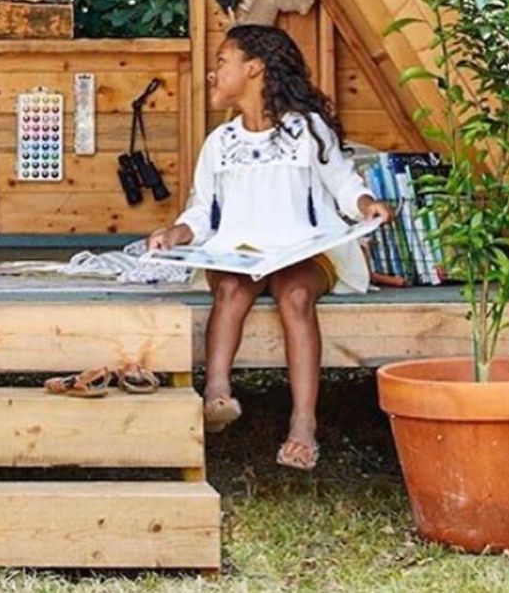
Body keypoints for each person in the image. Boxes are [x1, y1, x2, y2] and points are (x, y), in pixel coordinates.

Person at [148, 23, 391, 471]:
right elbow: (202, 212)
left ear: (255, 68)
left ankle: (303, 423)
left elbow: (342, 183)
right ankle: (217, 393)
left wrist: (365, 204)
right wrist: (175, 234)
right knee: (231, 289)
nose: (213, 72)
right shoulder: (219, 143)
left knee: (295, 295)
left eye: (222, 61)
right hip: (239, 254)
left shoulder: (308, 130)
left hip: (304, 250)